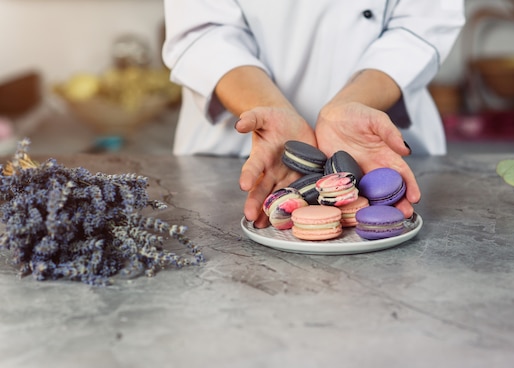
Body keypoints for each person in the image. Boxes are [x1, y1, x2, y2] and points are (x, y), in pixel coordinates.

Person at [162, 1, 465, 227]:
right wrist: (268, 108)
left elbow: (422, 24)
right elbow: (203, 31)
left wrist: (356, 101)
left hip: (375, 143)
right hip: (233, 153)